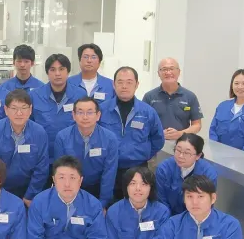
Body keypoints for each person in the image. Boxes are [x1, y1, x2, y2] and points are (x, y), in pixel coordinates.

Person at [99, 66, 164, 201]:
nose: (124, 86)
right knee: (110, 205)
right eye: (120, 82)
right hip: (109, 169)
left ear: (137, 84)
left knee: (137, 205)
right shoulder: (102, 110)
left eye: (129, 82)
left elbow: (158, 139)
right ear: (114, 84)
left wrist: (143, 153)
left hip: (138, 168)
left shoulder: (147, 112)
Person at [0, 89, 49, 206]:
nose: (19, 113)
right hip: (0, 189)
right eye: (14, 108)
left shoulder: (39, 133)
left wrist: (30, 195)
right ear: (6, 110)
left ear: (30, 110)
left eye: (24, 108)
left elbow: (41, 168)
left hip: (29, 191)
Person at [52, 96, 120, 207]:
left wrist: (103, 203)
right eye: (80, 112)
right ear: (73, 115)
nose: (85, 117)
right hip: (70, 187)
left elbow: (109, 173)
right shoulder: (62, 137)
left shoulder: (110, 138)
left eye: (89, 112)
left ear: (98, 115)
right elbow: (59, 172)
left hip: (98, 189)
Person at [154, 133, 219, 215]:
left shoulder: (208, 173)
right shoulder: (164, 169)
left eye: (187, 153)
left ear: (198, 156)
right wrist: (172, 221)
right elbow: (161, 200)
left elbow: (206, 206)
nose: (180, 156)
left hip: (196, 216)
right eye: (178, 150)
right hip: (168, 216)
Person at [143, 58, 203, 142]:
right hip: (154, 143)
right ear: (158, 73)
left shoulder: (190, 96)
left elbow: (197, 125)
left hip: (181, 144)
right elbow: (142, 123)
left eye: (171, 68)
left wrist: (180, 134)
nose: (168, 72)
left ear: (179, 72)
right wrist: (158, 133)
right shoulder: (149, 96)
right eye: (164, 69)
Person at [209, 69, 244, 155]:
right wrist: (217, 150)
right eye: (236, 83)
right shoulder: (222, 106)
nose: (240, 87)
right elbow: (213, 131)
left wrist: (240, 156)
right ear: (232, 85)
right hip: (220, 157)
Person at [30, 53, 83, 143]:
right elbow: (29, 124)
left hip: (71, 146)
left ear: (68, 72)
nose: (57, 74)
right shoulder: (34, 95)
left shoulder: (80, 94)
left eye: (61, 69)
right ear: (47, 73)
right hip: (43, 145)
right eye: (53, 70)